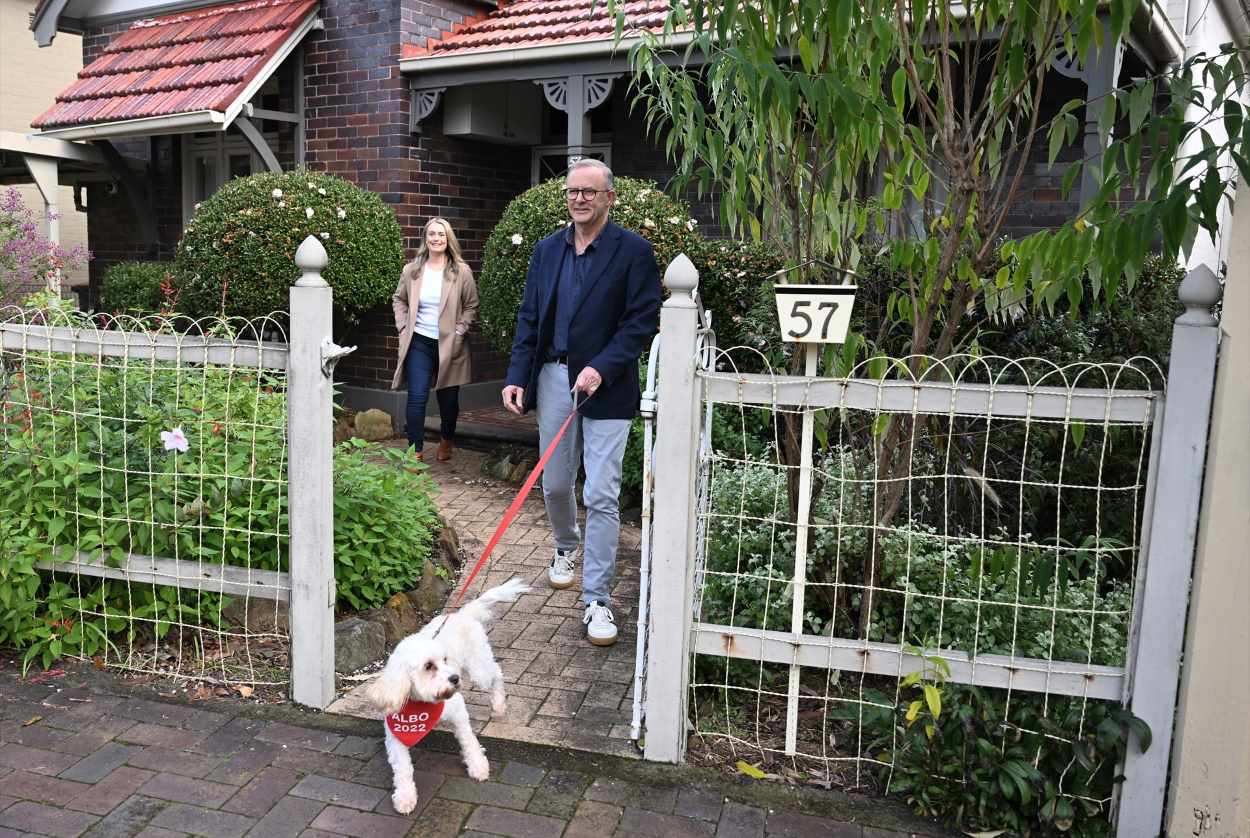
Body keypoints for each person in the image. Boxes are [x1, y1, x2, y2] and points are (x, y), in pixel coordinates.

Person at [502, 159, 662, 646]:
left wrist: (604, 365)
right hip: (553, 376)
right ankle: (566, 547)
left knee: (601, 493)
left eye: (589, 192)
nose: (579, 199)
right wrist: (517, 376)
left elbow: (641, 320)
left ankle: (597, 599)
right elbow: (530, 316)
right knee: (554, 485)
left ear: (608, 198)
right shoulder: (548, 250)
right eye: (573, 191)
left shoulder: (633, 252)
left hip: (607, 386)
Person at [392, 217, 478, 462]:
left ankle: (446, 439)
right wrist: (403, 327)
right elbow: (398, 299)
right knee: (417, 397)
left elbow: (471, 305)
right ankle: (414, 453)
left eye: (441, 234)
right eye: (432, 234)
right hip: (419, 342)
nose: (436, 238)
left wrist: (461, 330)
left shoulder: (460, 271)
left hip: (450, 345)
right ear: (425, 238)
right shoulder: (413, 270)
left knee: (448, 402)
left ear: (447, 238)